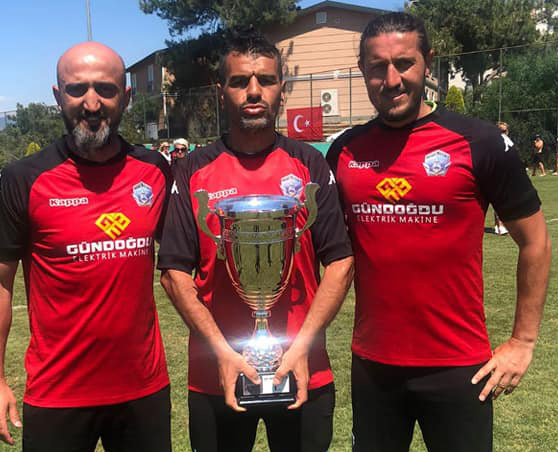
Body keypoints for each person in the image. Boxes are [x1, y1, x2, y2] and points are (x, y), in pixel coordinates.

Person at [326, 12, 551, 452]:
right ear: (362, 70)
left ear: (428, 62)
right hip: (374, 365)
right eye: (377, 67)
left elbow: (535, 241)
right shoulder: (344, 151)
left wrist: (523, 341)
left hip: (459, 366)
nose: (392, 80)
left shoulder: (480, 142)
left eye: (404, 63)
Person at [157, 30, 354, 452]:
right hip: (217, 374)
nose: (253, 91)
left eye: (265, 80)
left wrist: (302, 346)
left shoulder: (309, 163)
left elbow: (340, 262)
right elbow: (174, 272)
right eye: (239, 81)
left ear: (281, 87)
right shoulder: (193, 170)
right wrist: (221, 352)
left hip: (303, 367)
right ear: (221, 90)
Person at [0, 42, 172, 452]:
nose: (92, 102)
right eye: (77, 89)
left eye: (106, 89)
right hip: (57, 394)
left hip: (143, 389)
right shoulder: (23, 178)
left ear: (127, 97)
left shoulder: (155, 171)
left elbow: (181, 266)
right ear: (57, 95)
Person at [494, 122, 513, 235]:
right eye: (501, 131)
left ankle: (498, 225)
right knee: (500, 201)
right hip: (497, 173)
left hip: (507, 173)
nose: (503, 133)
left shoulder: (508, 141)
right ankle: (501, 225)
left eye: (504, 131)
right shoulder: (494, 141)